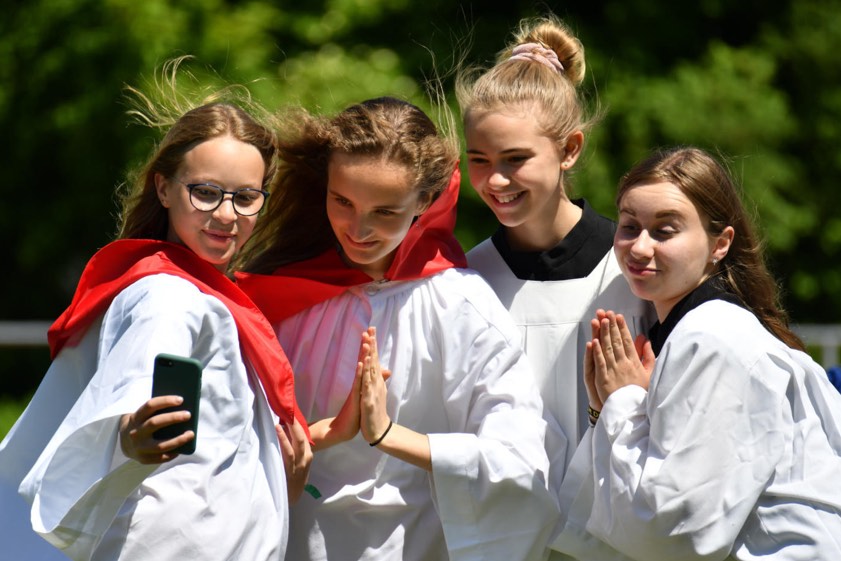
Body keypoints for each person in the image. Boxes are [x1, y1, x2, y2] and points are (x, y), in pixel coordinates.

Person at [0, 64, 311, 561]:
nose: (226, 214)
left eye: (245, 197)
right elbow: (132, 397)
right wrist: (131, 435)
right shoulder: (170, 295)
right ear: (164, 188)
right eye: (205, 192)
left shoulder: (201, 293)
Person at [236, 96, 556, 561]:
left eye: (384, 211)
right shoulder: (276, 299)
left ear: (424, 201)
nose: (358, 228)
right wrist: (324, 435)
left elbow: (519, 462)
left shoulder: (462, 306)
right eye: (342, 201)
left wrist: (388, 435)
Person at [552, 146, 841, 560]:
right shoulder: (700, 331)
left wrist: (624, 402)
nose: (640, 247)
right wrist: (607, 410)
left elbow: (677, 532)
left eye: (665, 231)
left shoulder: (714, 338)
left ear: (720, 244)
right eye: (629, 226)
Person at [455, 13, 655, 516]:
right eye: (479, 159)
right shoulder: (467, 282)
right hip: (507, 534)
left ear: (569, 150)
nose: (495, 180)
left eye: (515, 159)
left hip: (618, 531)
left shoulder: (632, 269)